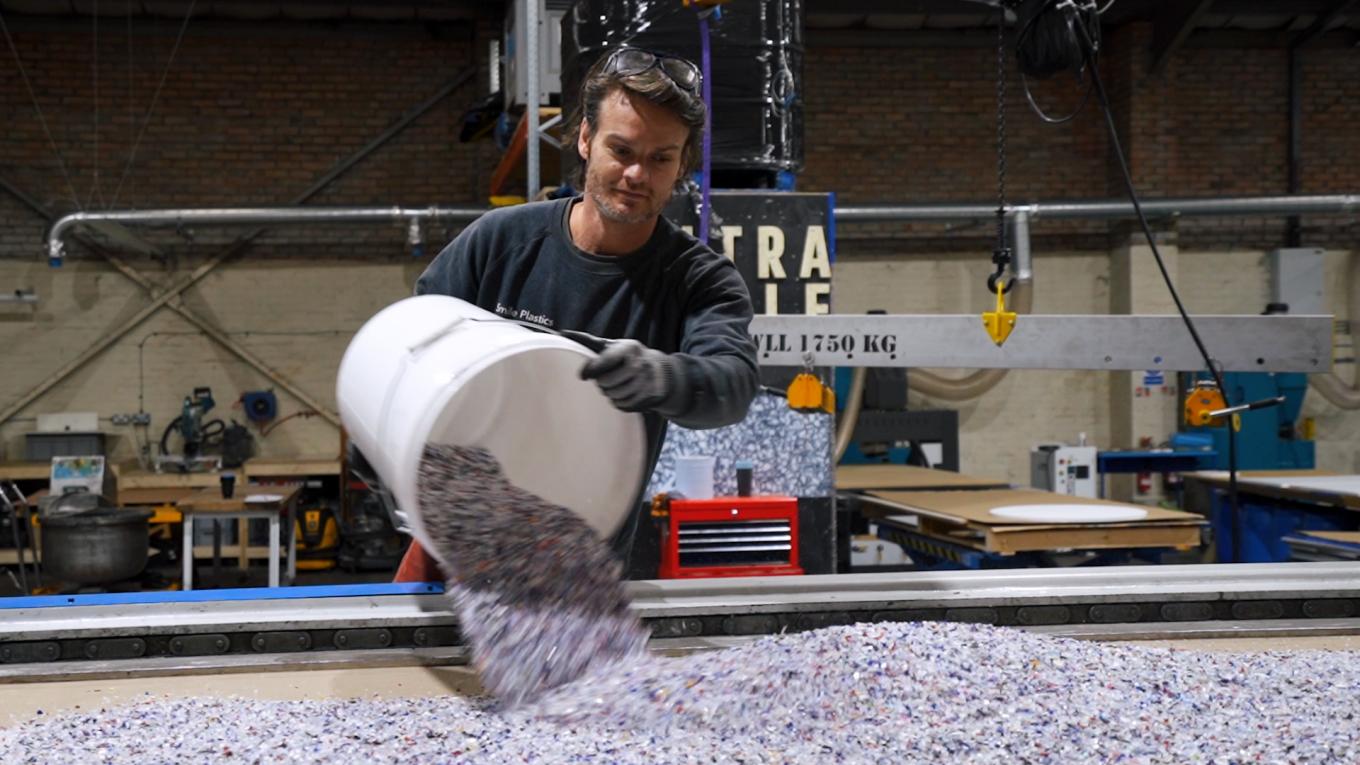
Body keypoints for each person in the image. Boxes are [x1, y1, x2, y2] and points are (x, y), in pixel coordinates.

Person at [390, 46, 759, 582]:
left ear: (682, 165)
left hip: (579, 572)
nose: (637, 173)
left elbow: (733, 384)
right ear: (585, 139)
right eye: (621, 149)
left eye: (660, 158)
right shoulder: (499, 244)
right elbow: (413, 347)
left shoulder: (697, 279)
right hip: (453, 551)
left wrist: (662, 377)